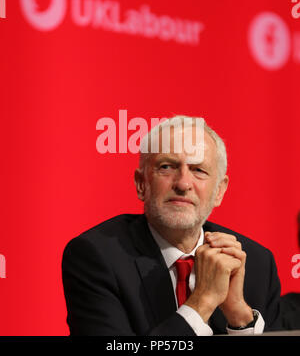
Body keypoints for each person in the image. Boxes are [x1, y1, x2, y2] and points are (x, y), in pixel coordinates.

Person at [62, 115, 282, 335]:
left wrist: (240, 318)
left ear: (220, 191)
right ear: (141, 184)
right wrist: (202, 303)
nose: (183, 183)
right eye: (167, 167)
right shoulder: (97, 257)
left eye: (199, 170)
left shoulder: (256, 264)